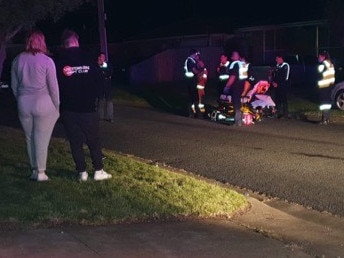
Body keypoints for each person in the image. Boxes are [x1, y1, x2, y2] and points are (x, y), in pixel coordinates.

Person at [54, 29, 112, 181]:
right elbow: (100, 80)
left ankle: (82, 172)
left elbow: (55, 84)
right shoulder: (88, 57)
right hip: (88, 107)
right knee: (93, 139)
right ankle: (98, 170)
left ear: (64, 44)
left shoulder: (58, 60)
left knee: (75, 141)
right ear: (77, 41)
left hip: (68, 108)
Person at [10, 30, 60, 182]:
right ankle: (41, 172)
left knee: (29, 137)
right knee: (42, 138)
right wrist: (56, 105)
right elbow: (53, 87)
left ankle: (33, 169)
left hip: (24, 102)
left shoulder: (17, 60)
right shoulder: (46, 61)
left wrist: (20, 99)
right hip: (43, 102)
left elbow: (14, 85)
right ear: (42, 42)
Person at [223, 51, 246, 126]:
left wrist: (227, 86)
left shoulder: (235, 64)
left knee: (236, 103)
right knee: (239, 103)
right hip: (241, 85)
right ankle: (241, 120)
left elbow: (233, 77)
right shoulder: (242, 64)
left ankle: (238, 121)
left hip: (235, 86)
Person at [184, 49, 206, 118]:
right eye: (196, 54)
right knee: (194, 98)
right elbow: (195, 71)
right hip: (191, 82)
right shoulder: (190, 61)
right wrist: (201, 70)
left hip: (191, 81)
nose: (197, 56)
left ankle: (193, 113)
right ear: (193, 54)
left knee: (192, 98)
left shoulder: (192, 61)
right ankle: (195, 114)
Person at [317, 50, 335, 125]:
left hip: (324, 86)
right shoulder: (331, 64)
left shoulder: (323, 64)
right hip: (330, 86)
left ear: (323, 57)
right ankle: (327, 119)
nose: (318, 58)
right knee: (327, 103)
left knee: (323, 103)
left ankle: (323, 119)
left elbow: (319, 72)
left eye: (319, 56)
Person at [271, 54, 290, 119]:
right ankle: (278, 113)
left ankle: (286, 114)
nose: (276, 60)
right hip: (276, 86)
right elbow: (273, 75)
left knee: (283, 99)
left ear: (280, 58)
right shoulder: (277, 66)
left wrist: (278, 84)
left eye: (277, 59)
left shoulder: (285, 65)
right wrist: (273, 82)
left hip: (282, 85)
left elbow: (285, 77)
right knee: (277, 100)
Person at [96, 52, 114, 123]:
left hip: (107, 85)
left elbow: (109, 72)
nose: (102, 58)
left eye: (104, 57)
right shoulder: (96, 65)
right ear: (99, 57)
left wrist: (105, 73)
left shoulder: (108, 64)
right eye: (101, 57)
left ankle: (110, 117)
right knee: (100, 101)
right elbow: (97, 73)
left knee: (109, 101)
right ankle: (100, 116)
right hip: (100, 85)